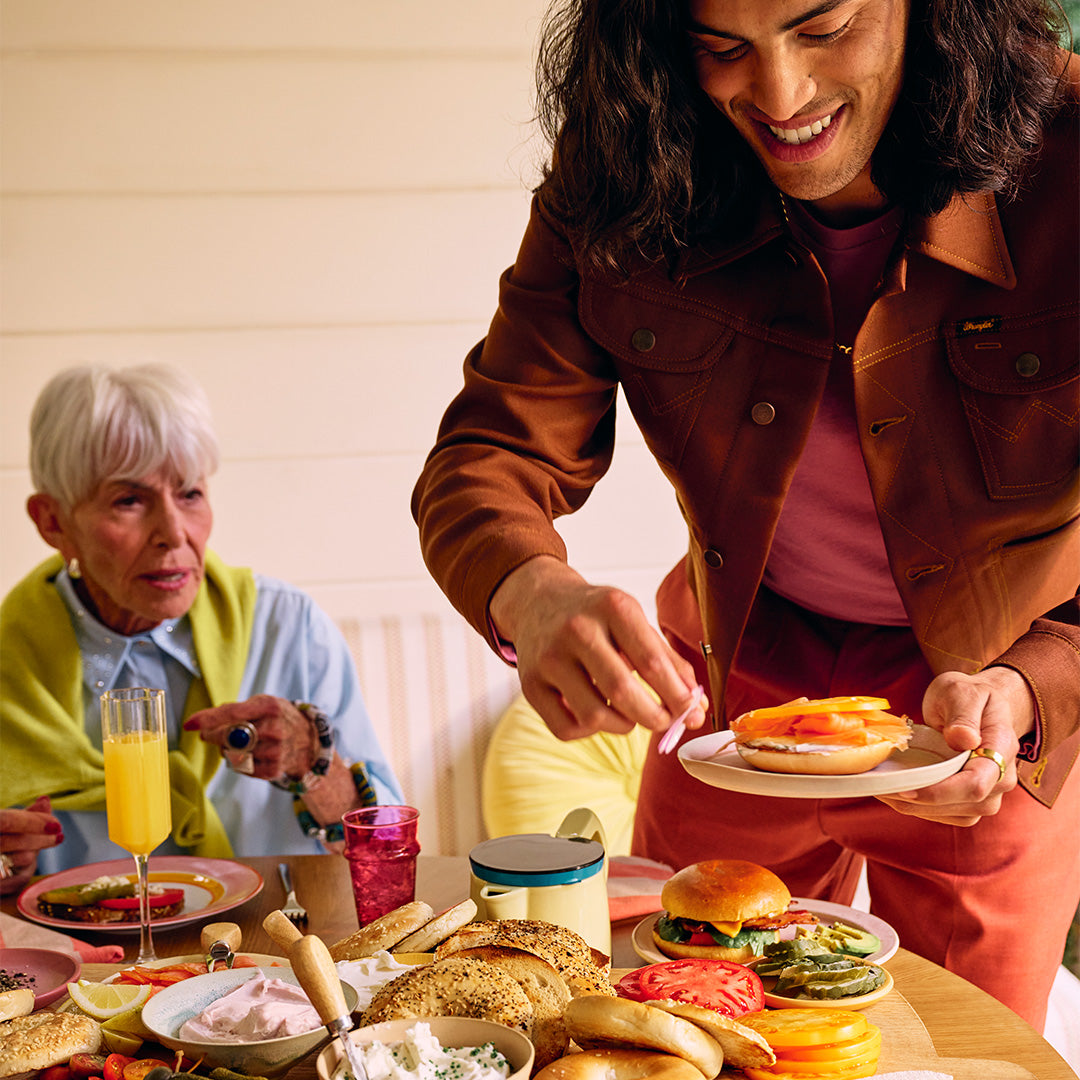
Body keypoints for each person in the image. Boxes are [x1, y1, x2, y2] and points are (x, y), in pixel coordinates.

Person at [412, 0, 1079, 1030]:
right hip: (736, 695)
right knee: (682, 1032)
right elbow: (491, 451)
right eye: (720, 46)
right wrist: (531, 592)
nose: (779, 96)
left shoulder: (1070, 155)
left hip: (985, 710)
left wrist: (1034, 684)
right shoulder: (623, 161)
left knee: (959, 1054)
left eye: (825, 27)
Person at [1, 363, 402, 895]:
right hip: (94, 961)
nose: (173, 533)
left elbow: (388, 849)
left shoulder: (288, 629)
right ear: (53, 522)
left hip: (273, 953)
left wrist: (313, 760)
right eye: (129, 500)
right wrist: (8, 866)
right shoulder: (10, 661)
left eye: (189, 493)